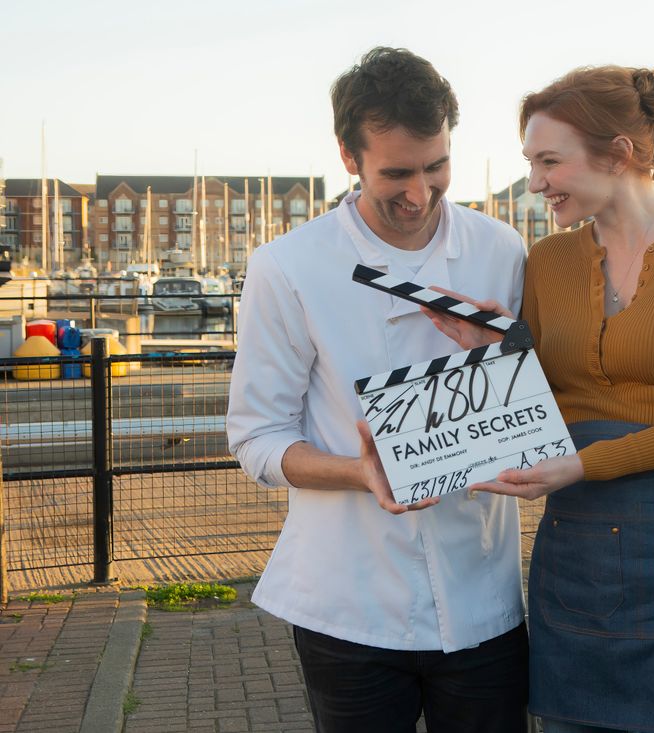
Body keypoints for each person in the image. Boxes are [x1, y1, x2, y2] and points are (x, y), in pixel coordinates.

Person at [427, 65, 654, 733]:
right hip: (577, 558)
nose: (534, 183)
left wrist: (586, 464)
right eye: (531, 162)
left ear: (617, 153)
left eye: (549, 161)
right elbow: (541, 403)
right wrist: (490, 350)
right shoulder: (547, 261)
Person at [226, 47, 529, 733]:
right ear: (348, 155)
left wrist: (504, 354)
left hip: (482, 596)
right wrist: (363, 471)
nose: (418, 195)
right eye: (395, 173)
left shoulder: (501, 248)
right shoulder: (288, 267)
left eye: (436, 168)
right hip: (347, 604)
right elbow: (258, 437)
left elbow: (527, 399)